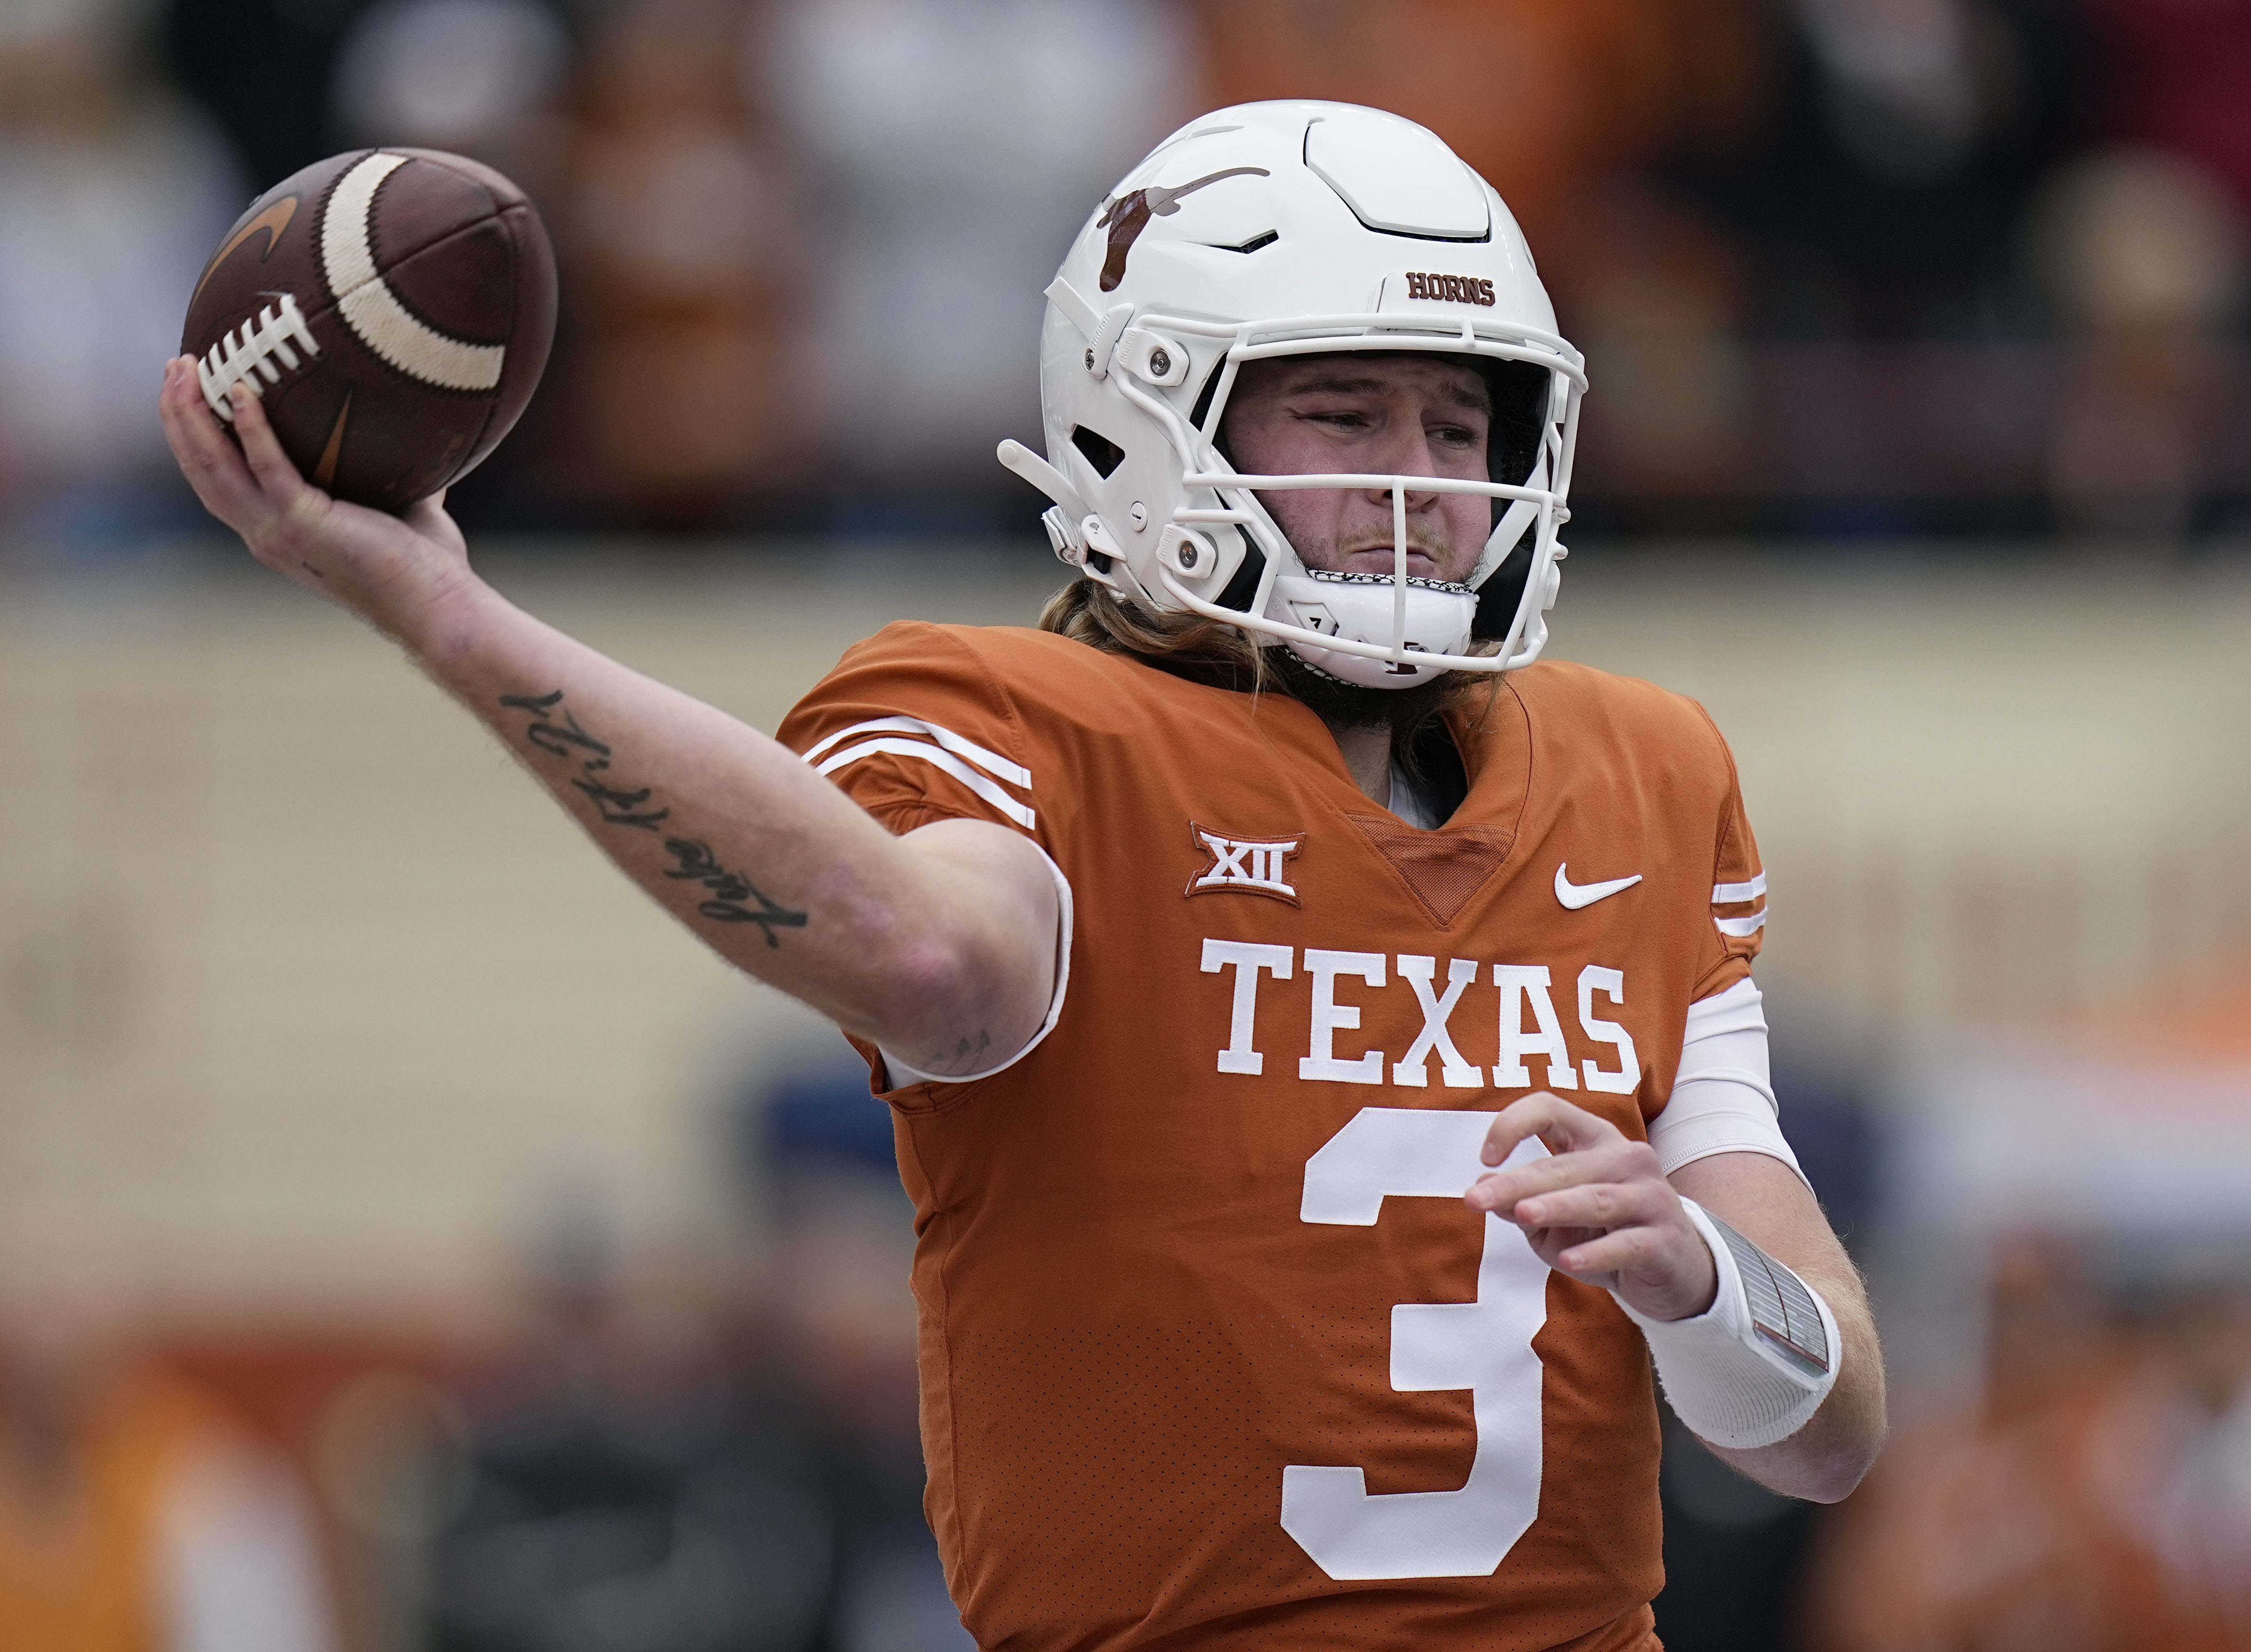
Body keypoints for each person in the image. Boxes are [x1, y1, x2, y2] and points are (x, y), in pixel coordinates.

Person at [160, 99, 1885, 1652]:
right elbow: (937, 967)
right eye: (1344, 410)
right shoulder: (1014, 722)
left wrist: (1699, 1281)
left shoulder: (1643, 776)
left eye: (1458, 422)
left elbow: (1827, 1431)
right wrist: (455, 620)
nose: (1418, 487)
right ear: (1143, 418)